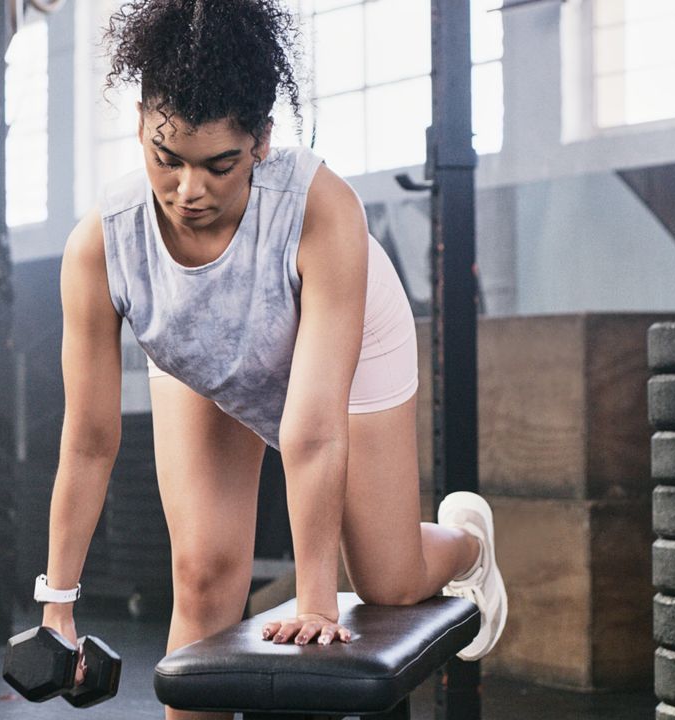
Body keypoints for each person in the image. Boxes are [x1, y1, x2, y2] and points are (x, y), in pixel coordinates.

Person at [37, 2, 507, 716]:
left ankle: (467, 545)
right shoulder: (102, 245)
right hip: (204, 354)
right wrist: (58, 604)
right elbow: (91, 439)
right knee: (202, 576)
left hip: (340, 347)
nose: (188, 191)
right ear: (139, 125)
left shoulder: (321, 208)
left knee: (385, 582)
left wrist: (318, 597)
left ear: (261, 140)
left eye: (219, 165)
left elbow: (311, 429)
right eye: (166, 159)